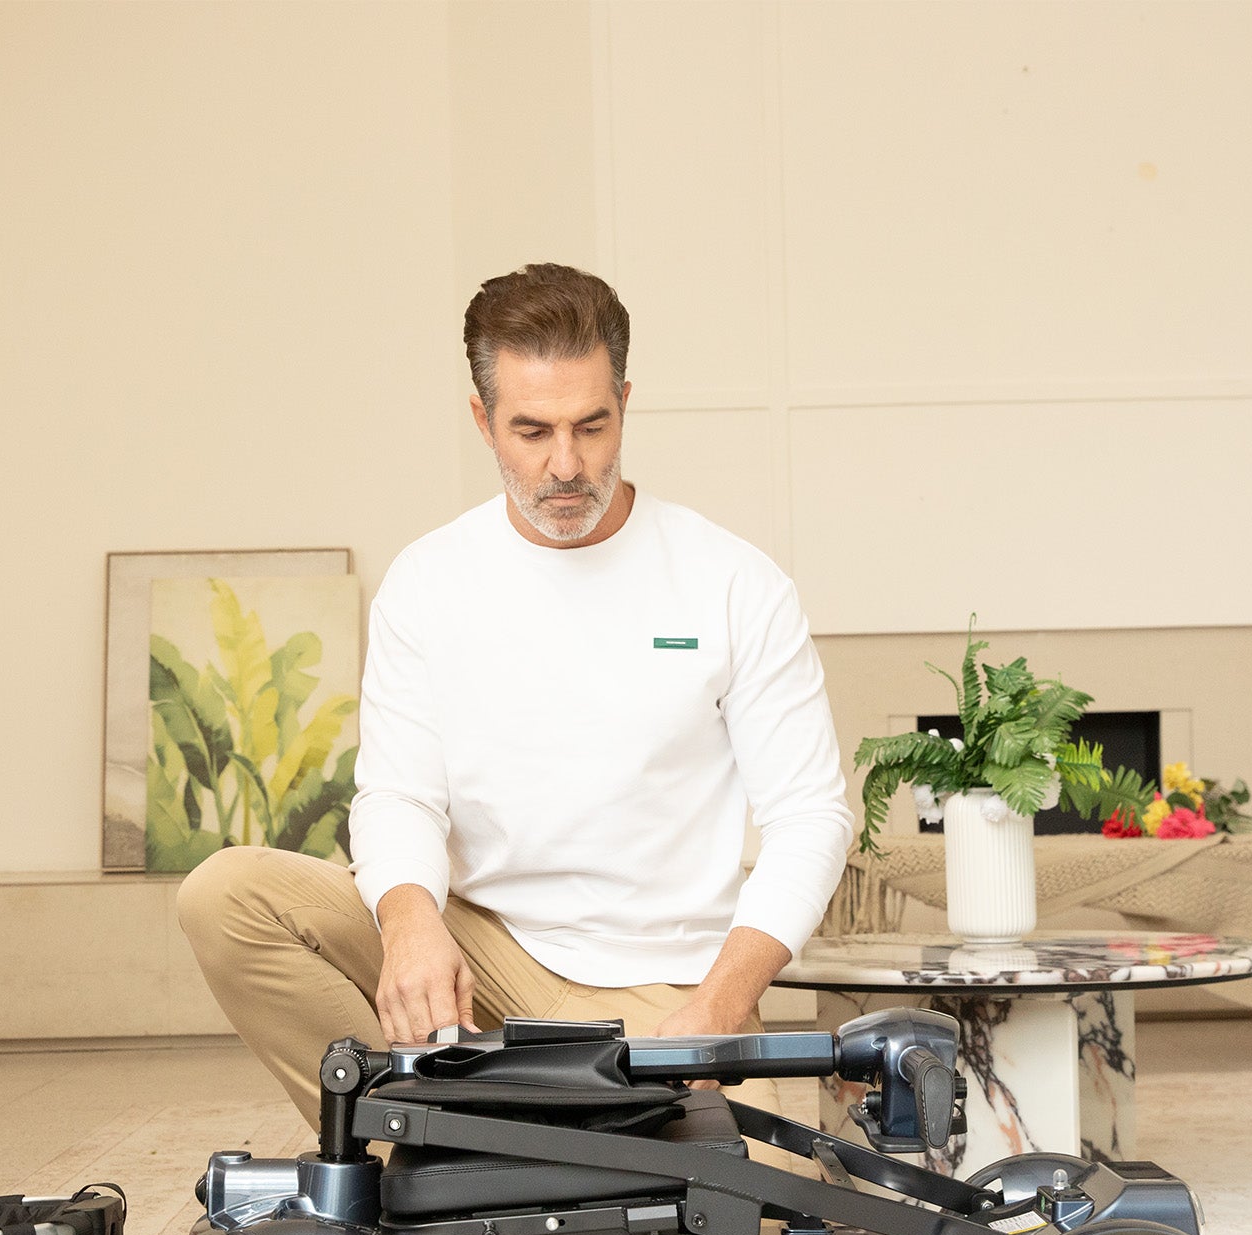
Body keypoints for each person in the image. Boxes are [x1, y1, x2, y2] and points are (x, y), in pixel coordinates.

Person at [177, 263, 853, 1146]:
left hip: (663, 985)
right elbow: (399, 794)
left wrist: (723, 1003)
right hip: (478, 954)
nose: (565, 465)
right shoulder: (429, 581)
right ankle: (410, 1151)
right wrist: (408, 924)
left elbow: (810, 816)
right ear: (482, 419)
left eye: (591, 426)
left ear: (624, 405)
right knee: (227, 897)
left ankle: (480, 1149)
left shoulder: (733, 583)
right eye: (531, 431)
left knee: (728, 1210)